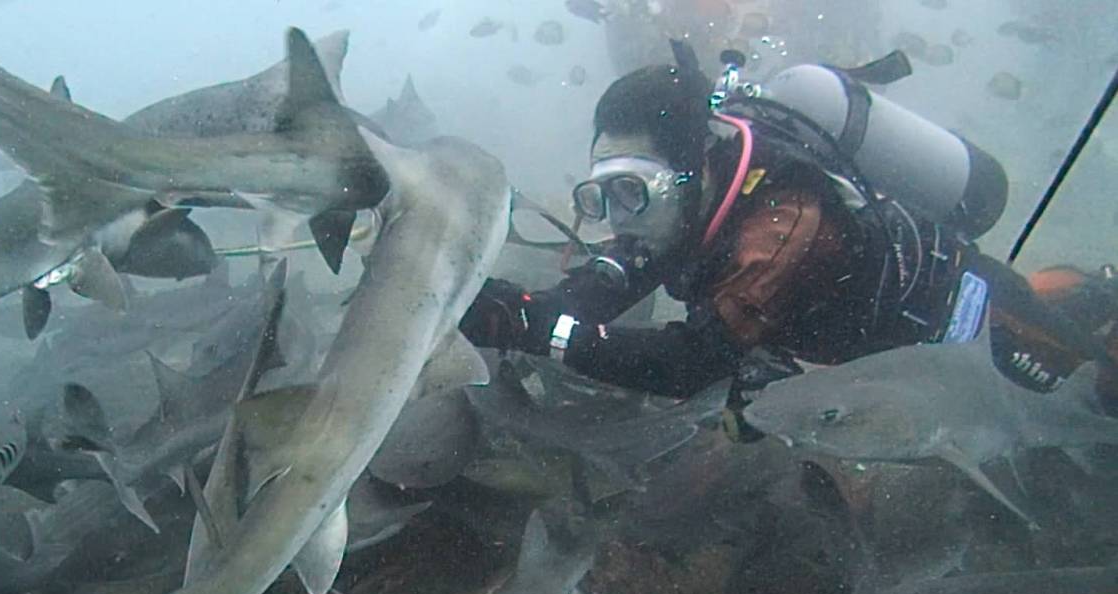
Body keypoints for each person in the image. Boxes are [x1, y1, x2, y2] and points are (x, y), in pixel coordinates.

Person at [460, 54, 1118, 411]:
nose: (620, 217)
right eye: (600, 195)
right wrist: (508, 307)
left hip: (960, 319)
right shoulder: (691, 197)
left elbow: (690, 363)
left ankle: (1092, 303)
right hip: (859, 345)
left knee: (1087, 392)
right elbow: (621, 272)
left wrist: (540, 332)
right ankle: (1084, 297)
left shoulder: (783, 226)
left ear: (692, 173)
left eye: (632, 192)